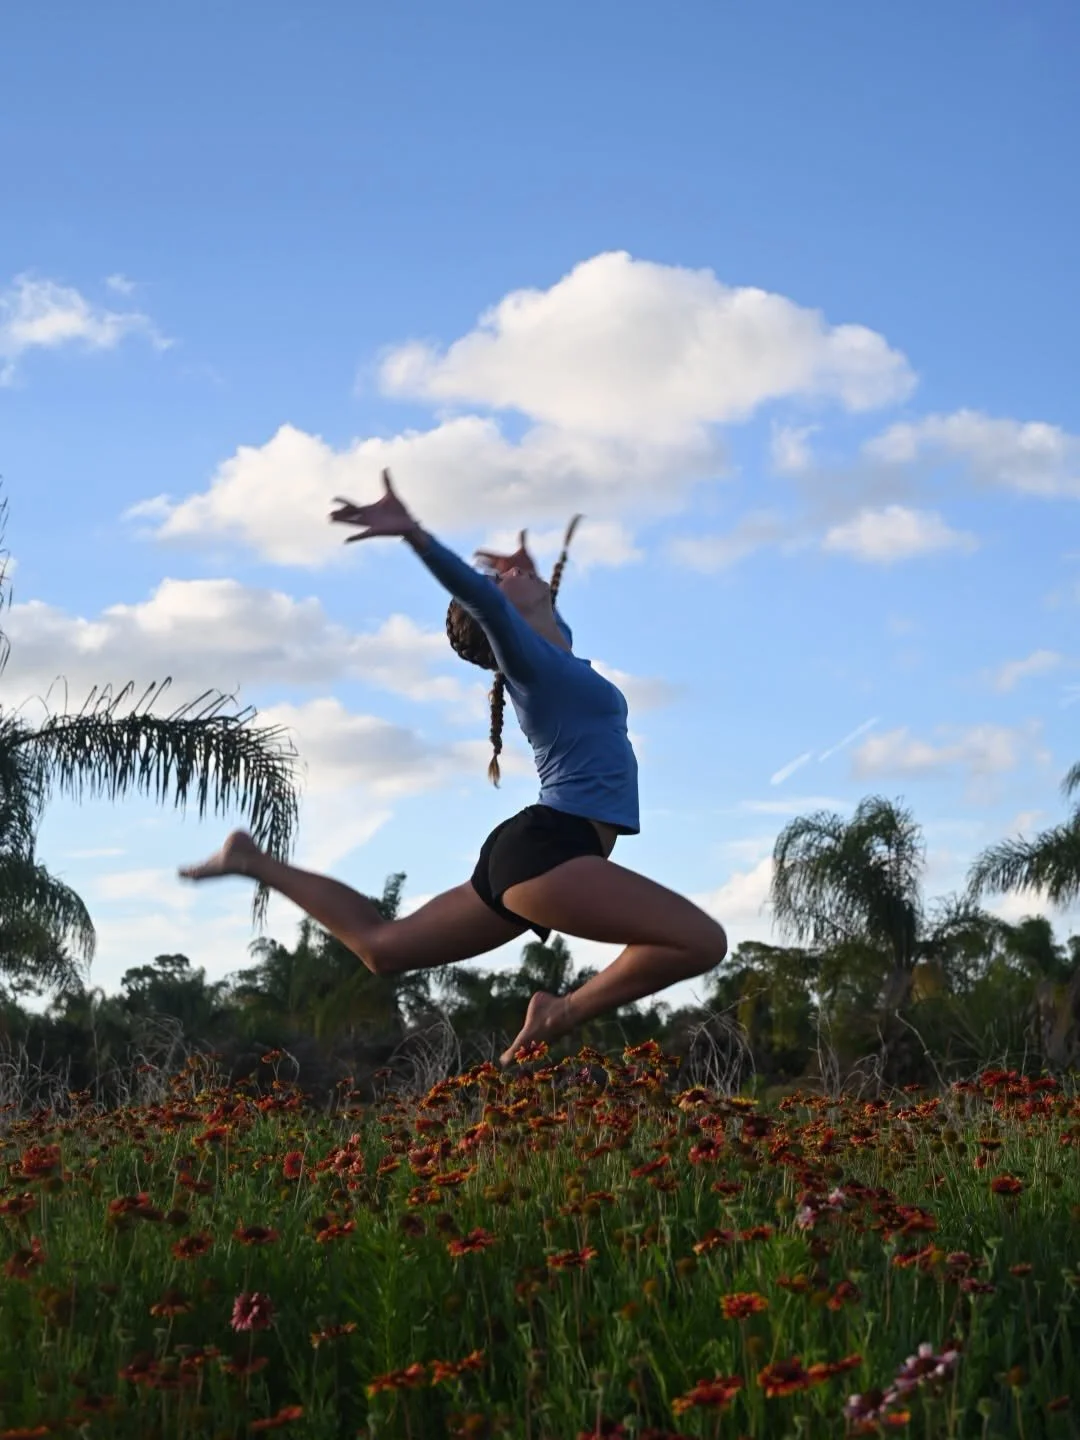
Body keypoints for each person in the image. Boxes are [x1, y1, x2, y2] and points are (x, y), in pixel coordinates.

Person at [180, 470, 728, 1064]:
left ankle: (251, 859)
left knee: (382, 947)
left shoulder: (556, 650)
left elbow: (538, 614)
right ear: (501, 621)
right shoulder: (533, 668)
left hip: (530, 852)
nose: (506, 576)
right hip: (552, 850)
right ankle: (560, 1013)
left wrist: (526, 572)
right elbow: (489, 604)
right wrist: (414, 534)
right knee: (699, 942)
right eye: (498, 581)